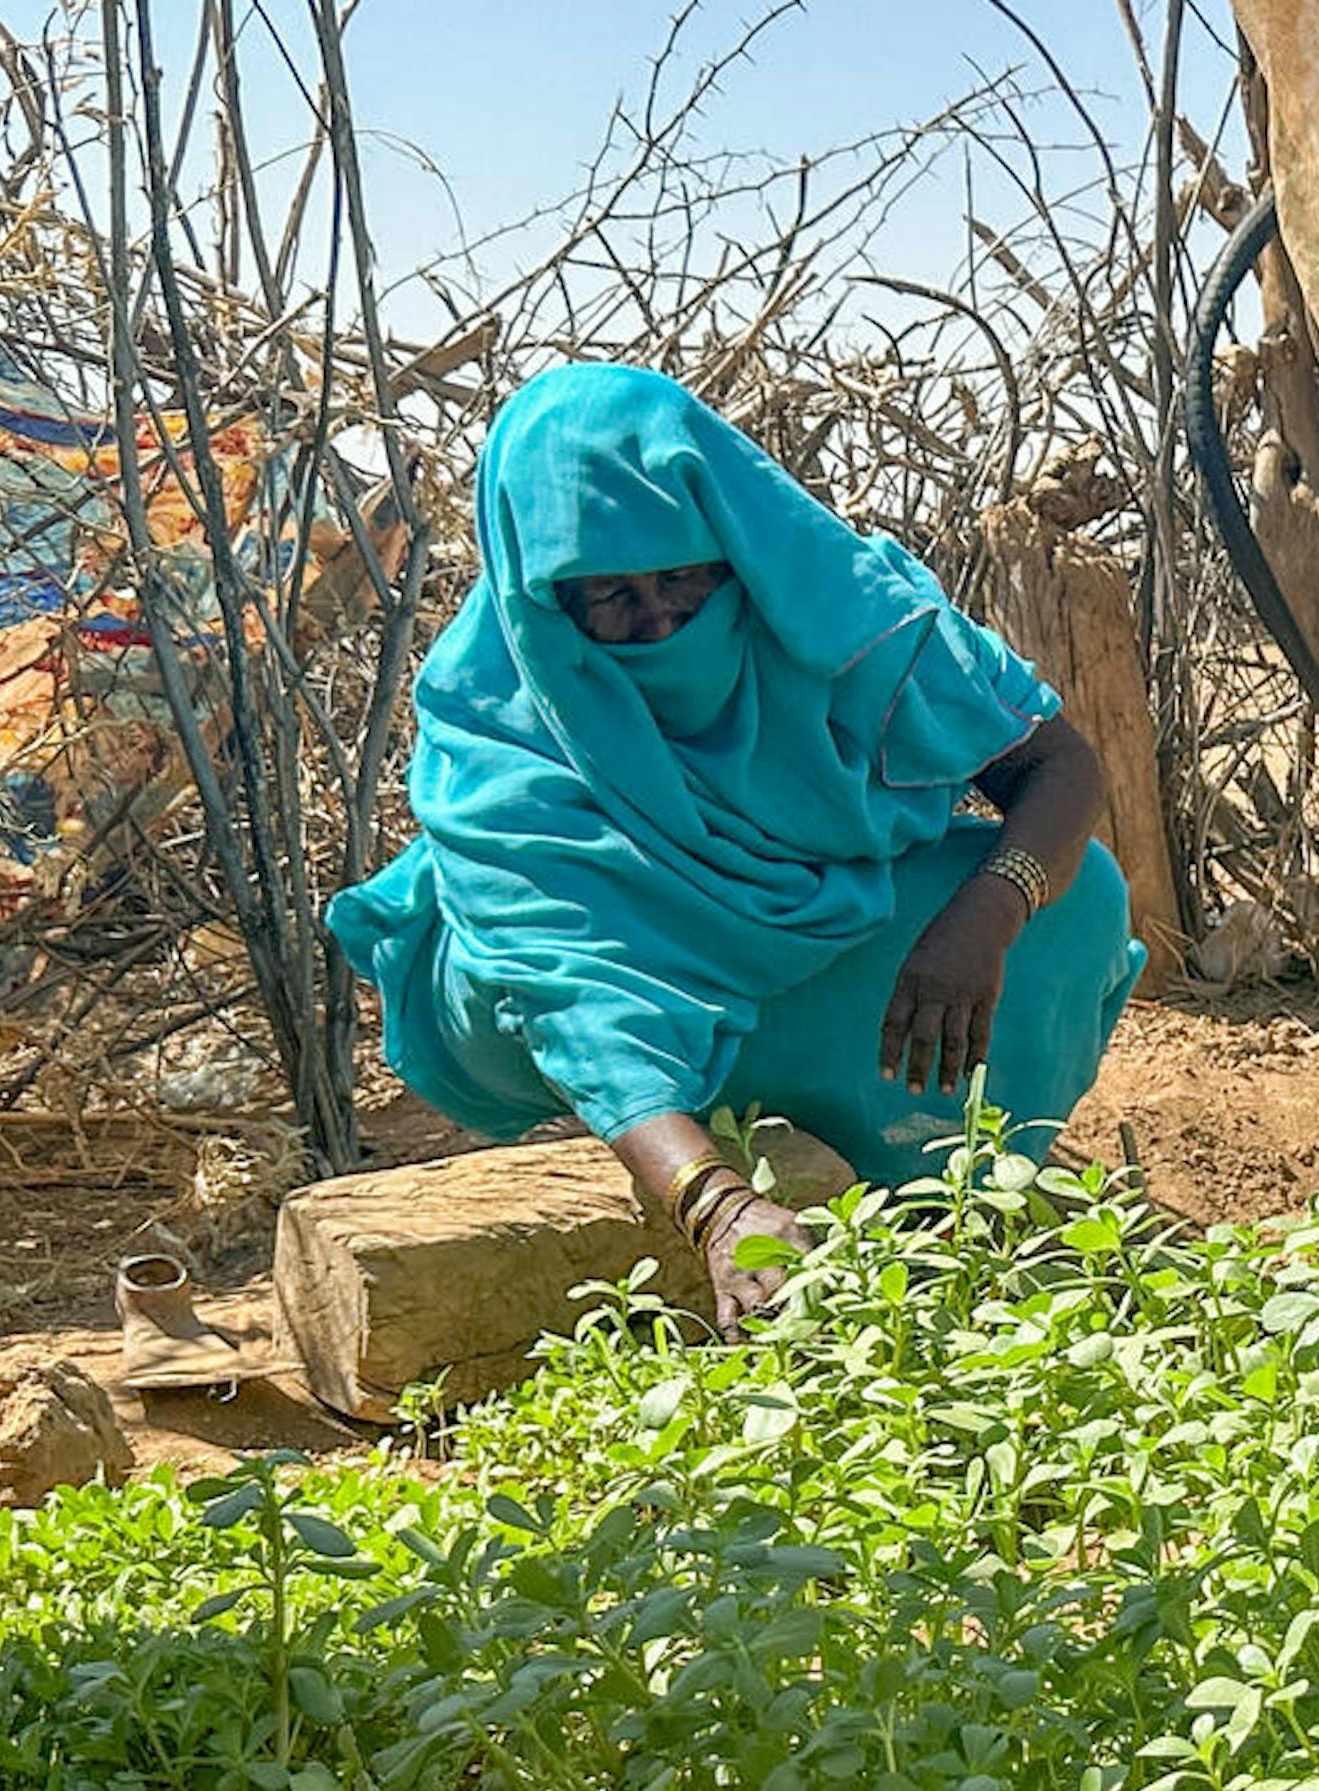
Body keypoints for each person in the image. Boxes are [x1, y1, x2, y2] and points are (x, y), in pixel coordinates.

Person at [328, 364, 1144, 1322]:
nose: (661, 618)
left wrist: (985, 915)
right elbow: (573, 989)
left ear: (733, 543)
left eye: (684, 577)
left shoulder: (837, 609)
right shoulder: (504, 716)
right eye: (612, 598)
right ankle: (691, 1128)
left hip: (793, 934)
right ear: (548, 599)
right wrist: (715, 1205)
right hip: (561, 989)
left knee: (1073, 893)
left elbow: (1061, 768)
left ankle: (942, 1195)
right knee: (528, 1006)